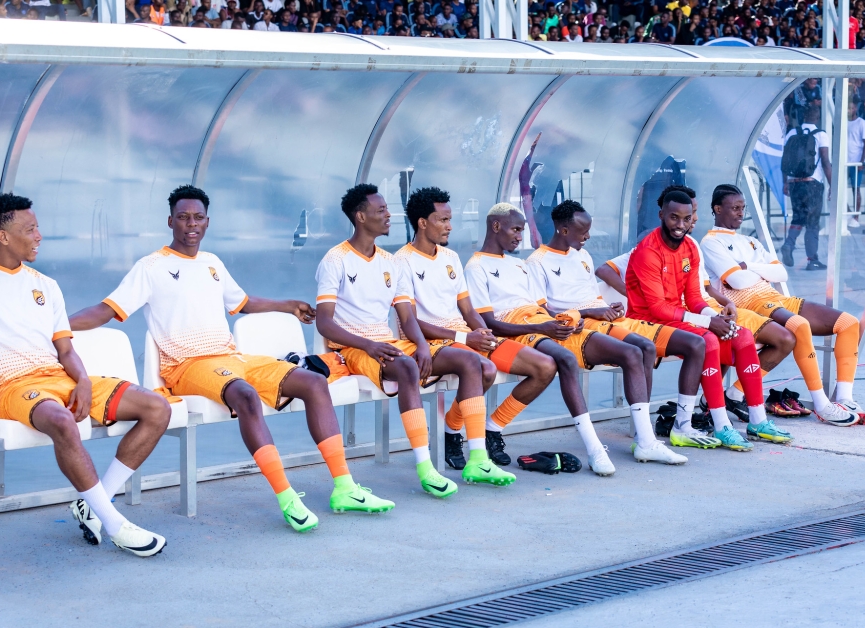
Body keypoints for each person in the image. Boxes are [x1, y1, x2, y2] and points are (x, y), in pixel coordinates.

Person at [69, 186, 394, 533]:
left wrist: (286, 304)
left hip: (231, 357)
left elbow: (242, 303)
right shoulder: (151, 267)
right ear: (170, 222)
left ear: (207, 223)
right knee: (245, 394)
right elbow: (105, 310)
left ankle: (345, 488)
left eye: (197, 218)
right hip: (187, 365)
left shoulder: (212, 264)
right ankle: (287, 498)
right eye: (182, 217)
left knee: (314, 382)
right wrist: (58, 328)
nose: (190, 224)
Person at [0, 194, 172, 557]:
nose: (39, 235)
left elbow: (65, 350)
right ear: (2, 236)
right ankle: (115, 524)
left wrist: (83, 381)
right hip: (11, 386)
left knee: (156, 408)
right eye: (30, 229)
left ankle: (95, 504)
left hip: (59, 377)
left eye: (37, 227)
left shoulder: (45, 285)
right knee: (63, 421)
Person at [598, 186, 797, 421]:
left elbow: (695, 295)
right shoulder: (647, 250)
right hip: (654, 321)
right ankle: (703, 422)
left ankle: (757, 420)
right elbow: (656, 307)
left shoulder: (691, 245)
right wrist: (708, 321)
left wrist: (714, 315)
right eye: (676, 216)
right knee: (708, 339)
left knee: (741, 336)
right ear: (662, 214)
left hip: (688, 314)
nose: (685, 222)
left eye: (689, 215)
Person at [396, 187, 558, 473]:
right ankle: (472, 451)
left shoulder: (450, 258)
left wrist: (485, 336)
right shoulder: (400, 261)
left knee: (545, 366)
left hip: (464, 338)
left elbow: (469, 311)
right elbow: (410, 321)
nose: (449, 226)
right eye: (442, 220)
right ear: (422, 223)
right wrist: (464, 337)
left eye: (449, 219)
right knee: (483, 368)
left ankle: (457, 430)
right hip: (431, 342)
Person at [314, 184, 459, 499]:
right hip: (353, 348)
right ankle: (426, 467)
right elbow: (324, 322)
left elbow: (407, 318)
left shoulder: (391, 262)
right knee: (407, 368)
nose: (389, 214)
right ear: (361, 216)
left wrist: (422, 345)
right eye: (381, 210)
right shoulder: (335, 259)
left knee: (466, 360)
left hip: (390, 343)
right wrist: (366, 345)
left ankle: (473, 451)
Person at [525, 200, 689, 465]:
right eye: (583, 232)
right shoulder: (537, 261)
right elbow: (544, 313)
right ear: (564, 230)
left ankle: (643, 434)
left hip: (601, 319)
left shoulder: (583, 256)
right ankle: (645, 440)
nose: (588, 236)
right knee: (633, 353)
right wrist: (591, 313)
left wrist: (605, 306)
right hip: (577, 326)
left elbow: (593, 296)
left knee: (646, 347)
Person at [465, 204, 621, 476]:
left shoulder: (518, 264)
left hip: (538, 323)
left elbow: (541, 309)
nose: (519, 237)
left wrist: (566, 320)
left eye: (522, 231)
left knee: (619, 350)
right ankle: (594, 447)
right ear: (496, 226)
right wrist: (545, 327)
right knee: (563, 359)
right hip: (514, 329)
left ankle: (493, 428)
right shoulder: (476, 266)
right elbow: (488, 322)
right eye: (515, 230)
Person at [701, 184, 865, 426]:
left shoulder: (751, 241)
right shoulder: (711, 241)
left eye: (742, 208)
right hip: (748, 303)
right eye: (734, 208)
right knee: (799, 326)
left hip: (773, 297)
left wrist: (750, 268)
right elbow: (736, 281)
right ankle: (822, 405)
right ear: (718, 209)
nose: (740, 213)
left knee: (849, 323)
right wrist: (759, 272)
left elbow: (781, 273)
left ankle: (845, 398)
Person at [781, 105, 830, 271]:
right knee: (812, 222)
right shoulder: (821, 135)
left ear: (803, 117)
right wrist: (832, 185)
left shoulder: (792, 133)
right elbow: (825, 161)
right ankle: (812, 260)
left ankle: (789, 244)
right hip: (812, 183)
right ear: (817, 118)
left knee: (798, 217)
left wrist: (785, 182)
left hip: (794, 182)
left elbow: (785, 161)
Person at [846, 102, 865, 225]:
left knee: (856, 189)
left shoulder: (861, 123)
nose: (849, 110)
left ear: (855, 108)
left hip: (856, 162)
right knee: (837, 189)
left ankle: (856, 217)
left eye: (851, 107)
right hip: (843, 162)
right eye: (847, 108)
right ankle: (848, 212)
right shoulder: (842, 122)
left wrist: (861, 161)